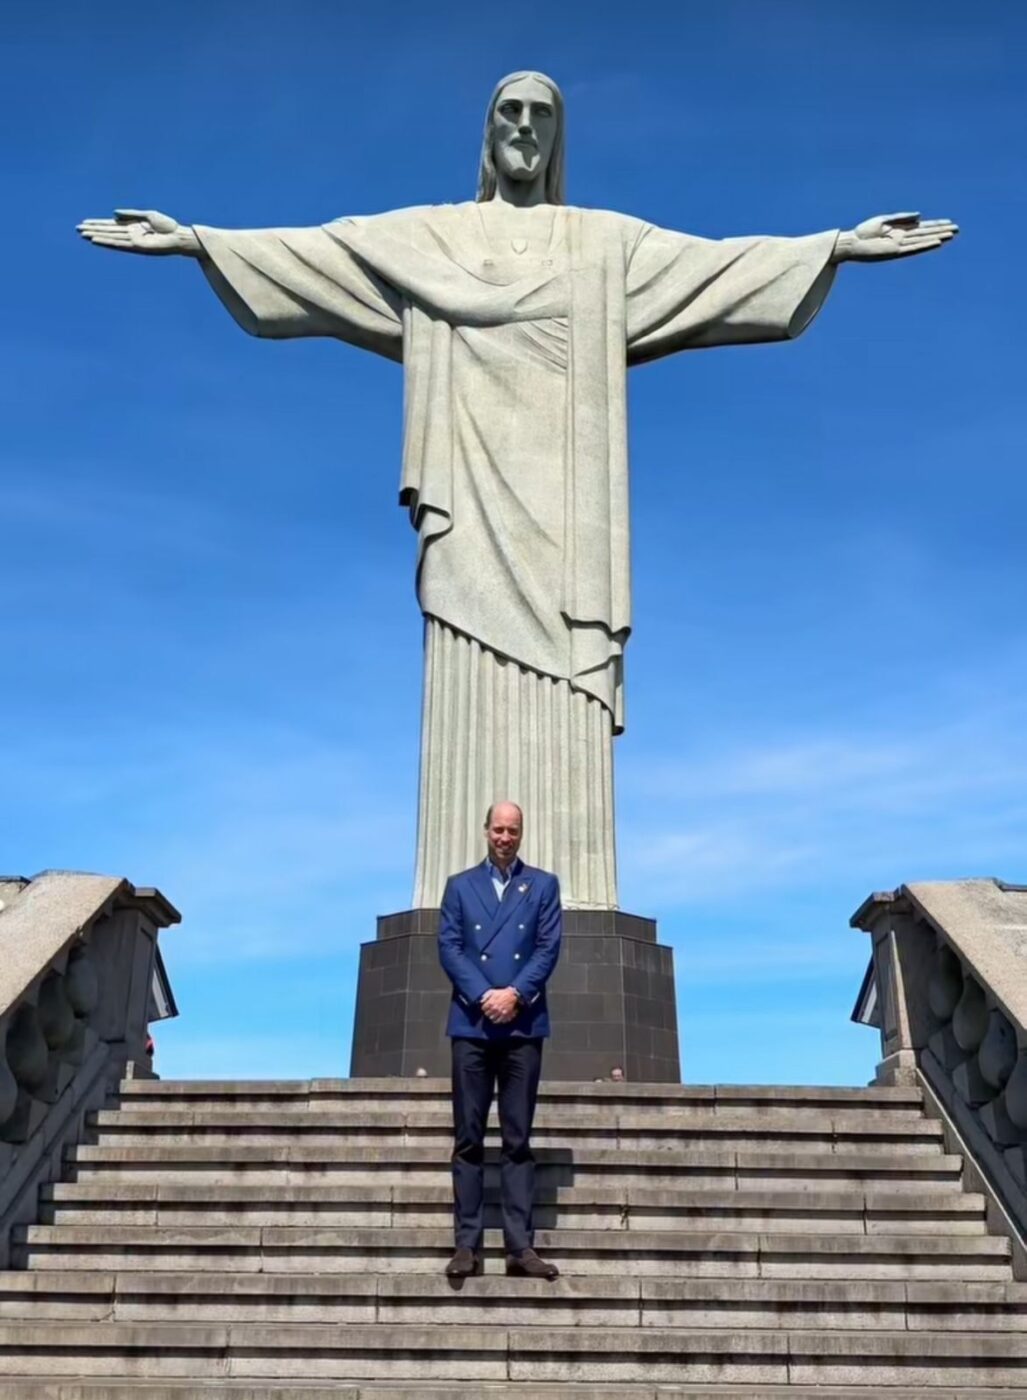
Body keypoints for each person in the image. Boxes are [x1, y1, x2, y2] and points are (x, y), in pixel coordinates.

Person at [75, 72, 958, 917]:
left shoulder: (602, 245)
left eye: (542, 114)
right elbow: (322, 252)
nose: (526, 128)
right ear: (488, 134)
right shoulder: (431, 239)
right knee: (462, 660)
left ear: (558, 135)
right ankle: (452, 900)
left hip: (569, 515)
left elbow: (715, 269)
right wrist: (198, 240)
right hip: (469, 496)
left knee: (570, 672)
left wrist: (834, 246)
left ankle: (577, 896)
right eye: (509, 113)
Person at [437, 801, 561, 1280]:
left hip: (522, 1024)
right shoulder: (460, 886)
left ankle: (519, 1248)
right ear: (485, 831)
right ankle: (466, 1244)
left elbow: (549, 947)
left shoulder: (543, 885)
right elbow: (448, 946)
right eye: (498, 829)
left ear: (521, 833)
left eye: (513, 830)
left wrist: (516, 994)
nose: (505, 837)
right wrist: (484, 993)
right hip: (472, 1023)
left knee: (517, 1140)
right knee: (468, 1139)